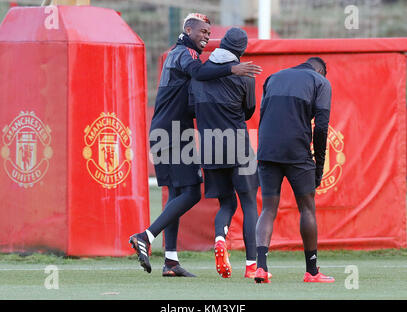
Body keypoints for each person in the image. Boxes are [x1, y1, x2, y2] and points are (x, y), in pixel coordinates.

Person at [129, 13, 262, 277]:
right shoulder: (184, 54)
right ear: (187, 29)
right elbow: (200, 73)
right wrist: (233, 68)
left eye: (208, 33)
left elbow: (195, 93)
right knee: (190, 193)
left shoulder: (179, 54)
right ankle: (145, 236)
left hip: (169, 131)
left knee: (178, 194)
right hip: (173, 133)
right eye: (201, 32)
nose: (205, 37)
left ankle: (170, 262)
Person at [190, 27, 268, 280]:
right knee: (248, 204)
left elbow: (192, 108)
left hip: (210, 146)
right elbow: (248, 111)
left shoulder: (199, 75)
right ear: (242, 50)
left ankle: (220, 237)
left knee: (226, 203)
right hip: (237, 144)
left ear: (221, 44)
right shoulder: (245, 75)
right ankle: (251, 265)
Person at [255, 57, 335, 283]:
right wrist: (319, 166)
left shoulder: (273, 78)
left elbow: (264, 117)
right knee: (307, 208)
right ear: (321, 70)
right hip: (296, 150)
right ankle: (312, 271)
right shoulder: (320, 82)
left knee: (268, 209)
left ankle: (261, 268)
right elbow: (320, 128)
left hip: (266, 149)